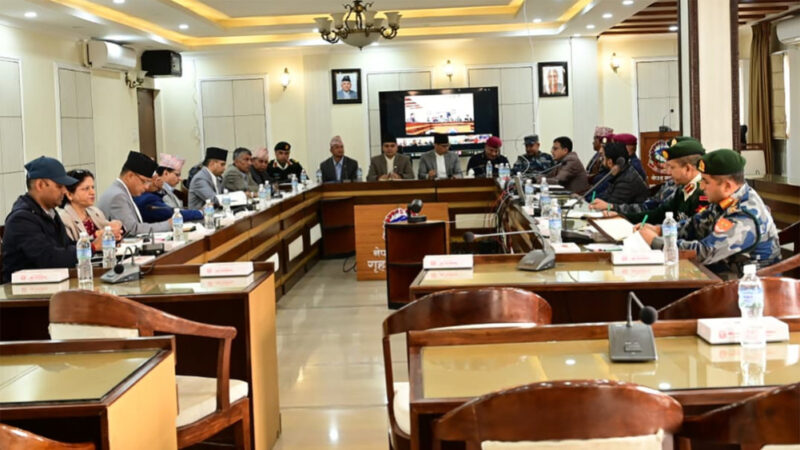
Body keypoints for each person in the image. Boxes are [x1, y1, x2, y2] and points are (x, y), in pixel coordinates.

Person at [638, 149, 780, 279]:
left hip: (749, 288)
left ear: (727, 186)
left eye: (706, 182)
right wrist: (659, 230)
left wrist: (656, 242)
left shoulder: (744, 216)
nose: (701, 187)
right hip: (721, 278)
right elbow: (694, 225)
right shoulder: (727, 200)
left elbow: (705, 252)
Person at [2, 157, 105, 283]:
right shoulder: (21, 219)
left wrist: (94, 242)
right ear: (40, 185)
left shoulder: (50, 212)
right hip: (25, 291)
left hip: (51, 284)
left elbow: (66, 246)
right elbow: (49, 259)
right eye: (59, 186)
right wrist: (91, 247)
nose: (64, 191)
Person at [591, 137, 696, 215]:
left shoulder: (695, 192)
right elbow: (649, 206)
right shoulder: (671, 183)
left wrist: (613, 208)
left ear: (687, 168)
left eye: (672, 166)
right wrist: (613, 208)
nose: (667, 169)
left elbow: (658, 214)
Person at [618, 138, 707, 225]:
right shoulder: (683, 188)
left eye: (672, 167)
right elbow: (660, 214)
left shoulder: (702, 193)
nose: (669, 172)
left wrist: (658, 231)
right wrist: (623, 217)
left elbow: (694, 229)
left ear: (687, 169)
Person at [97, 151, 172, 235]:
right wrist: (168, 225)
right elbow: (132, 230)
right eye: (144, 181)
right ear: (130, 176)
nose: (146, 187)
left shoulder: (120, 191)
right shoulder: (118, 196)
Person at [58, 169, 123, 242]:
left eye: (92, 187)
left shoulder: (95, 211)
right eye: (86, 188)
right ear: (69, 195)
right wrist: (96, 235)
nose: (92, 192)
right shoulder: (64, 219)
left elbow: (107, 230)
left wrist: (115, 229)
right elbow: (70, 246)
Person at [134, 167, 204, 223]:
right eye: (155, 178)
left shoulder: (155, 194)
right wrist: (200, 212)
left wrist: (157, 189)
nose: (159, 180)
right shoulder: (147, 199)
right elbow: (171, 213)